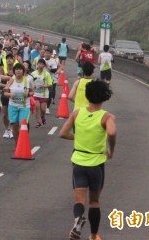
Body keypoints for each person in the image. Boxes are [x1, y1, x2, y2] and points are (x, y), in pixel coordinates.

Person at [59, 80, 117, 240]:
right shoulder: (107, 117)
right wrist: (110, 149)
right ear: (105, 97)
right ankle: (92, 236)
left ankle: (77, 220)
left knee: (79, 200)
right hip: (96, 164)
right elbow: (111, 133)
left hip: (78, 161)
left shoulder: (77, 113)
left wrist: (77, 137)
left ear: (87, 95)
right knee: (94, 202)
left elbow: (62, 133)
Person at [4, 63, 32, 142]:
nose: (18, 71)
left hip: (24, 106)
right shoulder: (11, 80)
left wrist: (29, 94)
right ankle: (17, 143)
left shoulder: (28, 80)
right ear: (14, 71)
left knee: (22, 125)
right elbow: (5, 92)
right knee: (14, 127)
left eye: (20, 69)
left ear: (23, 71)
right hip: (13, 106)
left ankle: (23, 142)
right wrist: (10, 94)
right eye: (16, 69)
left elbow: (33, 91)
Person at [31, 59, 53, 128]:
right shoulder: (33, 73)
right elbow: (30, 83)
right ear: (37, 65)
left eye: (42, 64)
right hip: (35, 94)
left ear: (44, 65)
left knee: (43, 110)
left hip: (44, 94)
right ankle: (38, 122)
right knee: (36, 107)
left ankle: (42, 116)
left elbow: (50, 84)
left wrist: (43, 86)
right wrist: (33, 86)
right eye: (39, 63)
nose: (40, 65)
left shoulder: (47, 74)